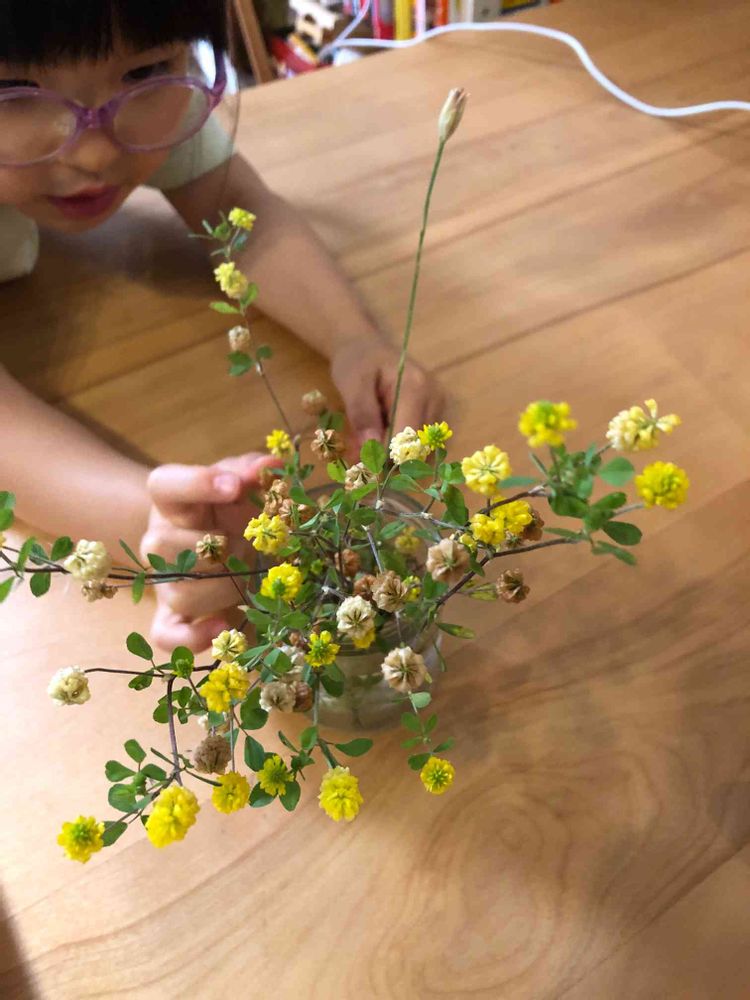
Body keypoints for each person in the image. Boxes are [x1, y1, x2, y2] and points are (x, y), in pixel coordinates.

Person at [0, 0, 441, 649]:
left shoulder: (154, 101)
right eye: (13, 90)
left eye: (146, 68)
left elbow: (237, 206)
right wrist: (155, 525)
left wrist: (352, 339)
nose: (96, 151)